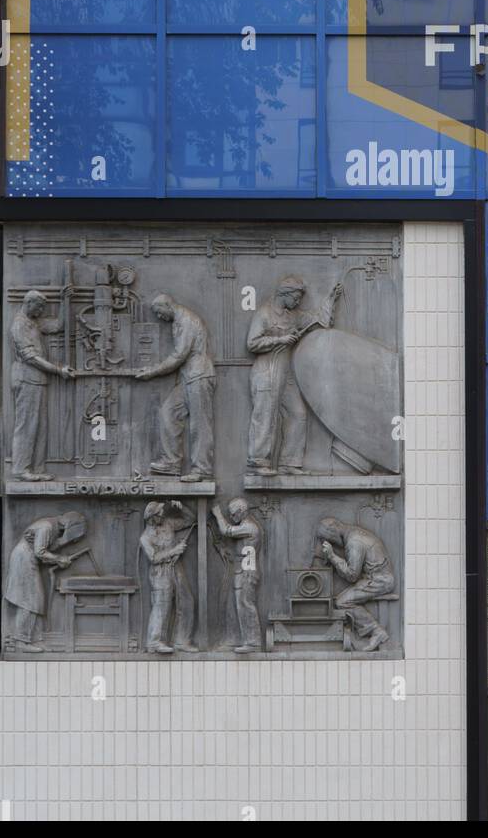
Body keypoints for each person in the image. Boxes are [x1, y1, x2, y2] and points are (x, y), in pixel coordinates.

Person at [246, 274, 341, 475]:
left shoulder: (293, 316)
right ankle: (258, 462)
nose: (298, 302)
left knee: (298, 414)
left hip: (286, 371)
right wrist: (280, 340)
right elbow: (252, 343)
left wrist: (331, 299)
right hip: (266, 370)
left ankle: (289, 462)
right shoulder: (264, 314)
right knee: (265, 415)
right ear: (285, 294)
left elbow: (319, 320)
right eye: (296, 298)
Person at [135, 294, 215, 482]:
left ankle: (202, 470)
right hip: (187, 378)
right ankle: (171, 463)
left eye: (159, 312)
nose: (159, 317)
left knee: (200, 424)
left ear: (167, 305)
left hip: (199, 376)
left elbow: (179, 355)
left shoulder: (186, 319)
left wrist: (153, 371)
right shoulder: (177, 320)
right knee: (168, 412)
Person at [10, 289, 75, 481]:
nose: (41, 312)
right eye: (39, 308)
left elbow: (59, 325)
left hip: (38, 381)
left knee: (40, 425)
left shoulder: (34, 322)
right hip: (27, 378)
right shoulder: (19, 325)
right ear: (29, 303)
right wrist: (58, 370)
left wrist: (65, 300)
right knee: (27, 425)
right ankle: (21, 469)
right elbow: (31, 358)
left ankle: (37, 469)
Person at [4, 512, 86, 651]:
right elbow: (40, 552)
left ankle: (35, 639)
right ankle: (21, 640)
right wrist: (59, 559)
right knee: (29, 600)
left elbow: (45, 551)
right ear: (71, 525)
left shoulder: (52, 527)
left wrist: (61, 552)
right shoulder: (46, 527)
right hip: (23, 559)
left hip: (29, 560)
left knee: (36, 600)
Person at [316, 516, 394, 652]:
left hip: (380, 580)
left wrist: (333, 556)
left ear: (334, 530)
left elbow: (352, 575)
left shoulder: (354, 542)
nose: (332, 543)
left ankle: (376, 631)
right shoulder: (353, 532)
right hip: (373, 577)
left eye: (329, 539)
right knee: (341, 599)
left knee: (342, 602)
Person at [139, 500, 196, 654]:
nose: (162, 514)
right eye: (159, 512)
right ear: (152, 518)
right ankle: (154, 642)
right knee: (161, 606)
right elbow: (153, 558)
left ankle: (181, 641)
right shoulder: (145, 537)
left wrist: (182, 507)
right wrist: (174, 550)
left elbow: (191, 520)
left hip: (176, 568)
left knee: (187, 601)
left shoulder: (169, 524)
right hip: (160, 573)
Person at [211, 499, 262, 654]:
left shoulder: (250, 527)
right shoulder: (244, 526)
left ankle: (253, 642)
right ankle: (238, 639)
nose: (232, 517)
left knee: (246, 604)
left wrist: (218, 514)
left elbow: (226, 530)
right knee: (238, 605)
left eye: (233, 514)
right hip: (242, 570)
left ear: (242, 511)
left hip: (247, 571)